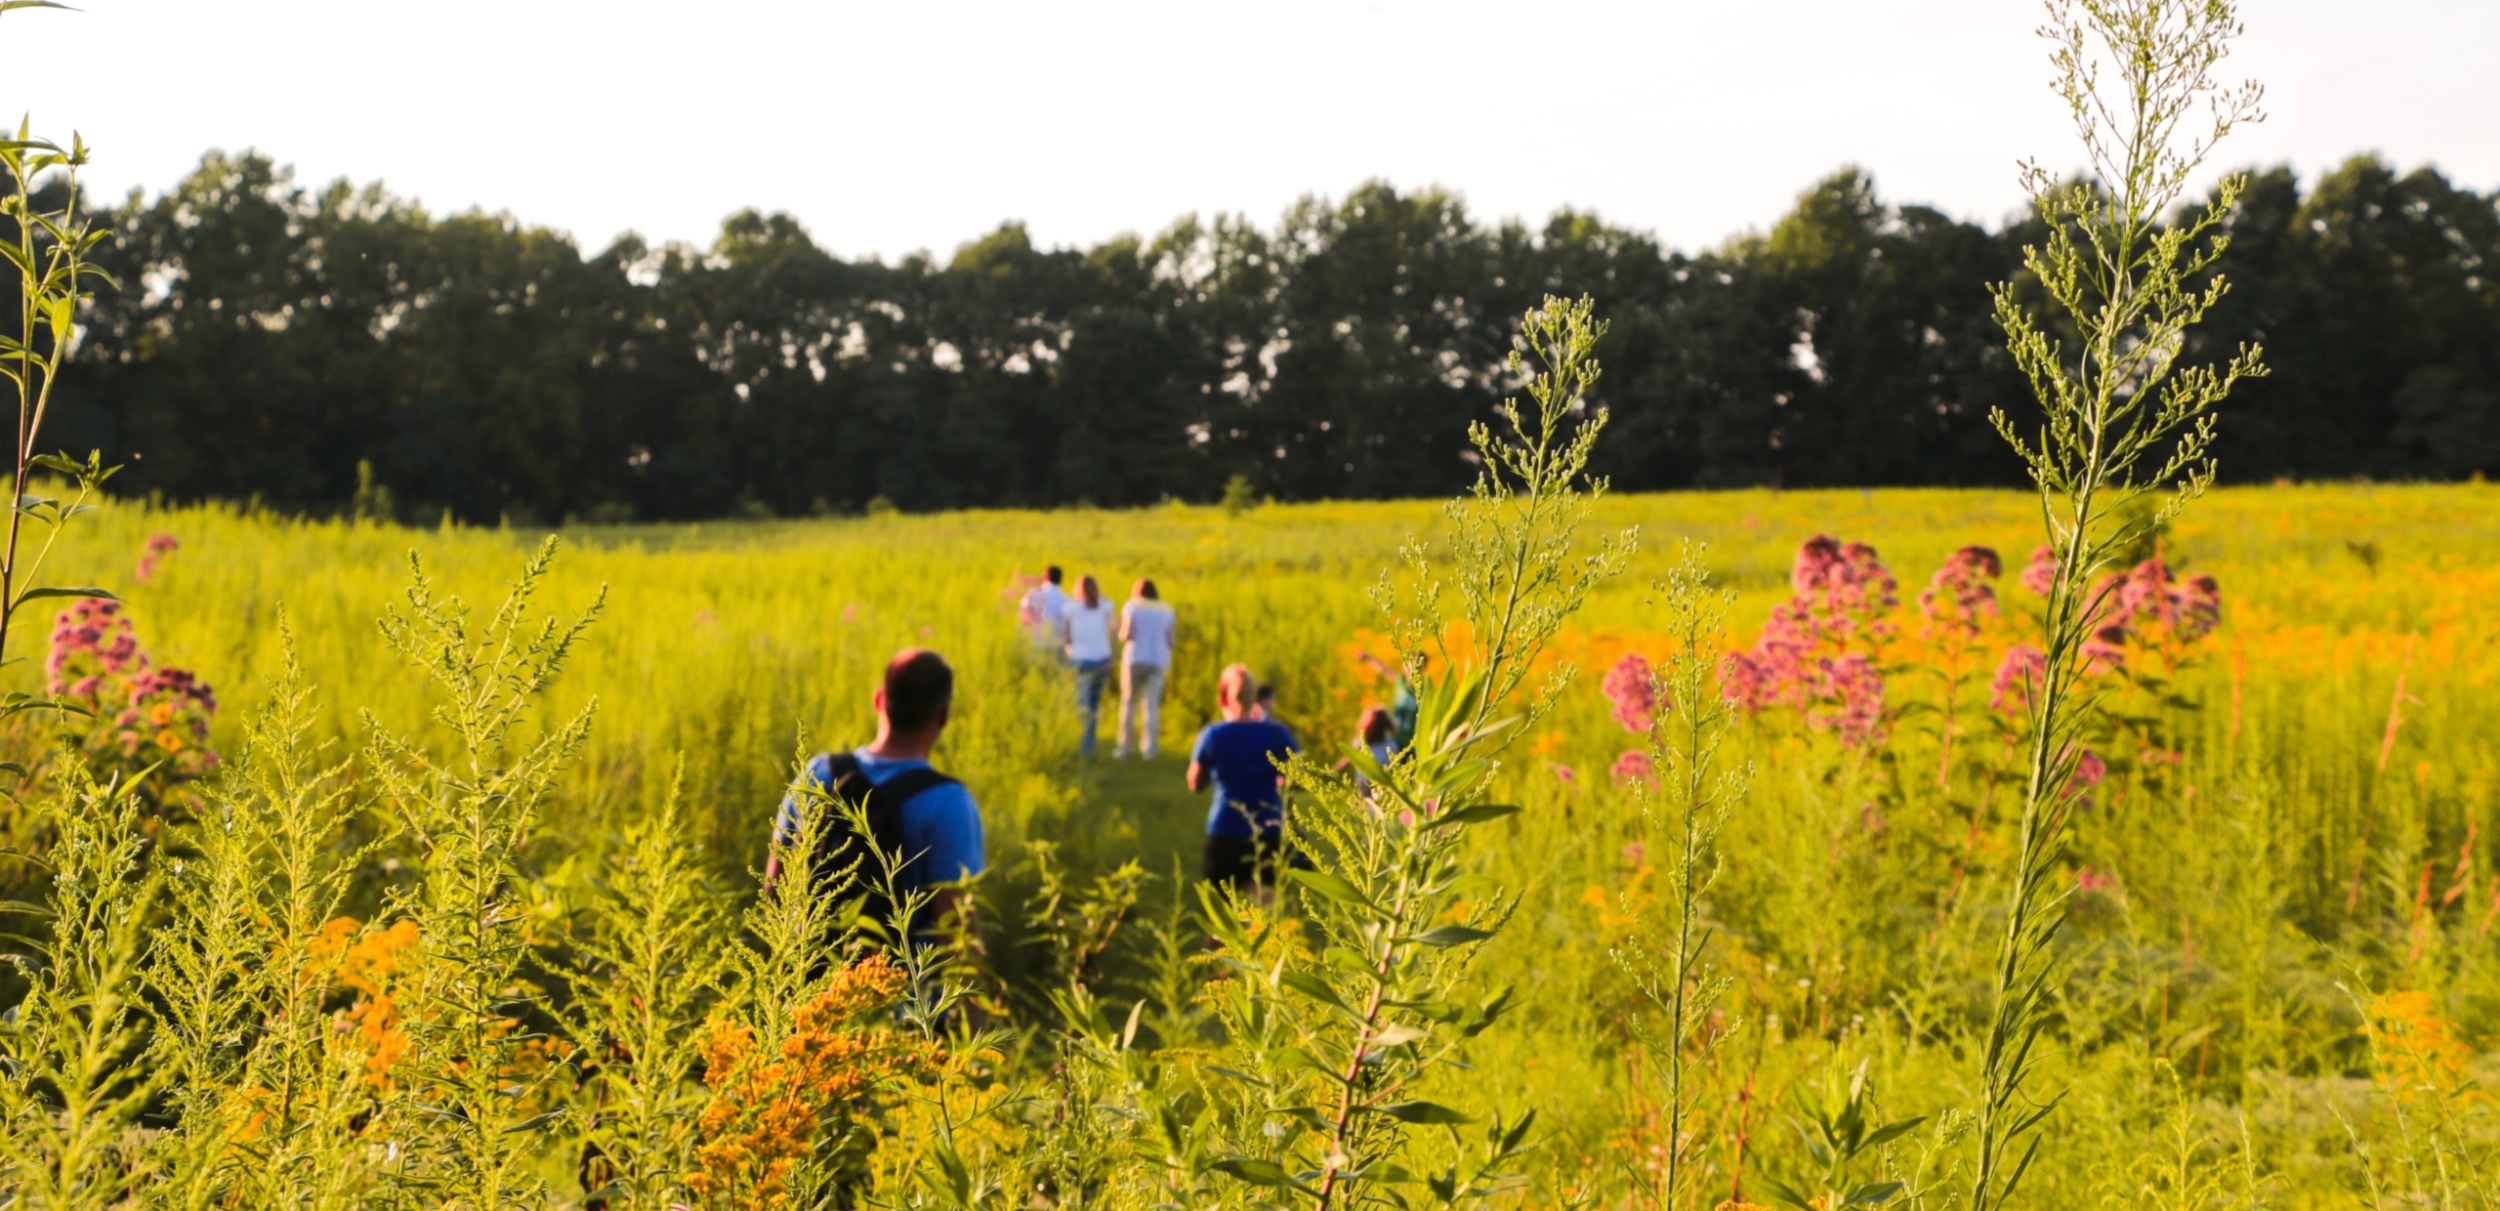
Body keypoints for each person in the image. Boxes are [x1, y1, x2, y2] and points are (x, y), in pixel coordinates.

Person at [765, 649, 985, 935]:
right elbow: (955, 927)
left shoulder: (819, 773)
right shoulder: (949, 803)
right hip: (900, 978)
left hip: (812, 971)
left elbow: (774, 888)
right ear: (943, 716)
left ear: (878, 700)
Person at [1188, 664, 1299, 891]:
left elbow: (1195, 783)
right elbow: (1297, 777)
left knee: (1223, 916)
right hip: (1269, 828)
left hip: (1225, 828)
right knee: (1264, 913)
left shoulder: (1212, 735)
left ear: (1223, 698)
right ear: (1254, 697)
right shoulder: (1276, 733)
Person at [1115, 578, 1176, 759]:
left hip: (1135, 659)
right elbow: (1171, 641)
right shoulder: (1166, 609)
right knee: (1151, 705)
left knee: (1129, 703)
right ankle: (1150, 750)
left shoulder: (1132, 606)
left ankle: (1125, 748)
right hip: (1158, 660)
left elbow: (1126, 634)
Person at [1063, 575, 1116, 757]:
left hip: (1081, 660)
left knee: (1083, 707)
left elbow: (1066, 636)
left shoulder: (1070, 607)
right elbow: (1114, 632)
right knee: (1094, 706)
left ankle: (1084, 747)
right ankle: (1089, 747)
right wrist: (1113, 656)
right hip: (1102, 660)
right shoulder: (1106, 606)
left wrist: (1069, 650)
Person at [1018, 566, 1069, 651]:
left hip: (1036, 644)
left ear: (1045, 577)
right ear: (1060, 579)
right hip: (1058, 646)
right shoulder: (1066, 599)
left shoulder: (1032, 594)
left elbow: (1023, 616)